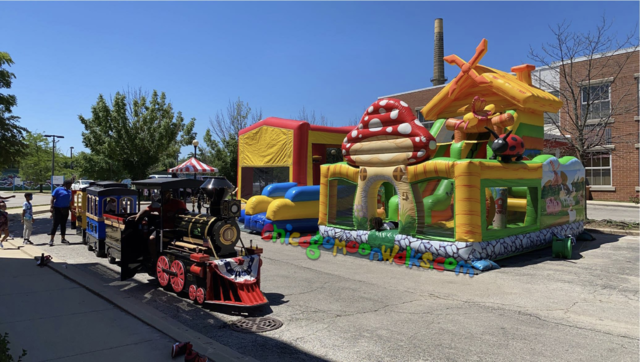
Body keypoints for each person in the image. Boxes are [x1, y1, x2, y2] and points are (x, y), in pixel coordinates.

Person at [128, 190, 188, 261]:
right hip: (162, 227)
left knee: (152, 238)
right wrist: (138, 215)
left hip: (176, 228)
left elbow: (186, 214)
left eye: (165, 194)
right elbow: (147, 209)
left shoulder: (178, 203)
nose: (163, 196)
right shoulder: (158, 203)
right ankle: (154, 259)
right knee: (151, 238)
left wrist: (175, 214)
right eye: (162, 194)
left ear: (169, 195)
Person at [49, 179, 73, 246]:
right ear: (65, 184)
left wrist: (71, 209)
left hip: (65, 209)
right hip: (57, 209)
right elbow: (52, 199)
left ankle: (63, 238)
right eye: (69, 185)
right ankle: (51, 239)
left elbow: (69, 201)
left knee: (63, 225)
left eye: (71, 185)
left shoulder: (70, 192)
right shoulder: (58, 189)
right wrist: (51, 207)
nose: (70, 186)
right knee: (55, 225)